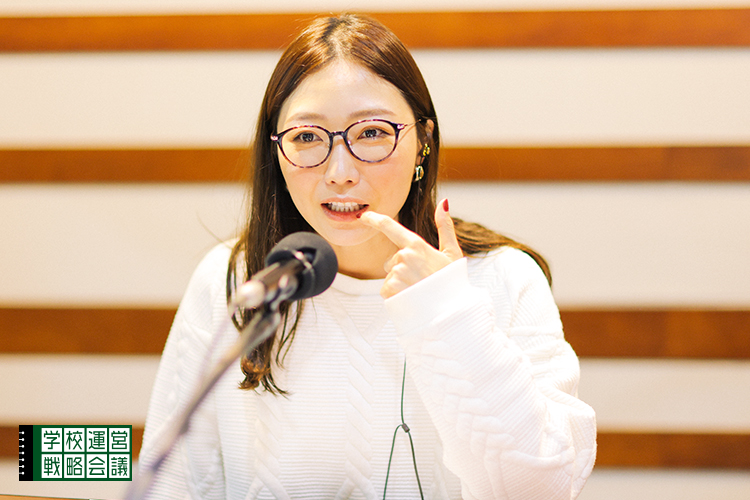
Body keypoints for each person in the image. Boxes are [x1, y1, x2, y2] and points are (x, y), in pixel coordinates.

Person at [139, 13, 597, 500]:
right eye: (307, 137)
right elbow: (173, 483)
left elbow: (543, 488)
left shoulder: (502, 279)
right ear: (276, 151)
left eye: (372, 133)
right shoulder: (236, 279)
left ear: (423, 141)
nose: (339, 172)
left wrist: (450, 315)